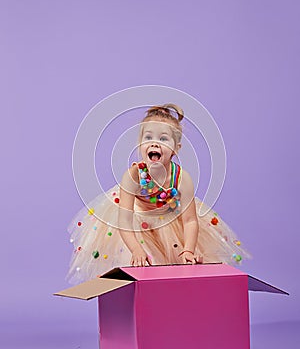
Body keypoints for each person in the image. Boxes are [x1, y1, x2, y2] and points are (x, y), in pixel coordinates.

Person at [66, 104, 251, 283]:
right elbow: (124, 220)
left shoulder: (181, 178)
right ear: (140, 144)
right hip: (136, 224)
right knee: (145, 262)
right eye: (148, 137)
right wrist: (136, 249)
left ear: (176, 148)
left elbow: (190, 220)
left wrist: (189, 249)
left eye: (163, 139)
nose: (154, 142)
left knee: (177, 265)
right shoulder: (133, 175)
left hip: (171, 221)